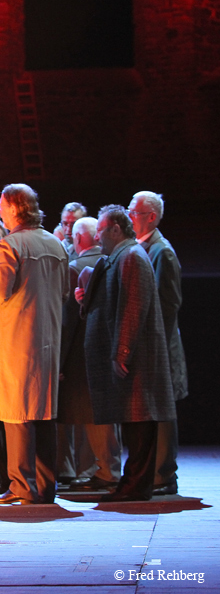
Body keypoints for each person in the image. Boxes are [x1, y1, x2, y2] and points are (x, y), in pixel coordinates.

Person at [0, 184, 69, 505]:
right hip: (47, 341)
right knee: (43, 414)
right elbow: (64, 293)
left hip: (16, 340)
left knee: (16, 414)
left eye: (1, 205)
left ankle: (21, 486)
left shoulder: (11, 244)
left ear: (15, 209)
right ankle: (45, 487)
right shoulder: (56, 244)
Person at [79, 205, 176, 501]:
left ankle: (135, 486)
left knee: (139, 422)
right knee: (134, 423)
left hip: (137, 360)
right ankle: (132, 484)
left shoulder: (132, 257)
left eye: (100, 231)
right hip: (132, 357)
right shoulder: (121, 256)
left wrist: (122, 351)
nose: (97, 237)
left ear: (116, 230)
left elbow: (134, 306)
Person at [128, 191, 188, 496]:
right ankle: (153, 473)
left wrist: (154, 345)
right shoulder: (143, 248)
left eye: (134, 212)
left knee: (163, 411)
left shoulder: (160, 252)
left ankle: (164, 476)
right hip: (151, 346)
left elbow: (168, 303)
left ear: (151, 217)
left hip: (160, 347)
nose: (129, 217)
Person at [58, 217, 122, 492]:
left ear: (79, 239)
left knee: (87, 416)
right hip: (107, 349)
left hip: (80, 355)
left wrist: (59, 360)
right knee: (103, 414)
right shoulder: (111, 262)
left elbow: (68, 319)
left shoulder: (75, 268)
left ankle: (100, 472)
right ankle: (105, 469)